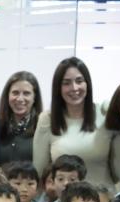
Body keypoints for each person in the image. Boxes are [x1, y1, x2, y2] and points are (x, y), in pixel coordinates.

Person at [33, 57, 112, 188]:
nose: (74, 88)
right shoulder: (47, 119)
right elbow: (39, 172)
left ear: (87, 84)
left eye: (79, 81)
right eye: (66, 83)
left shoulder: (104, 114)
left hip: (104, 201)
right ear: (58, 87)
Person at [0, 70, 43, 165]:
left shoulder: (43, 127)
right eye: (15, 93)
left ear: (35, 97)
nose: (20, 99)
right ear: (7, 96)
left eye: (26, 93)